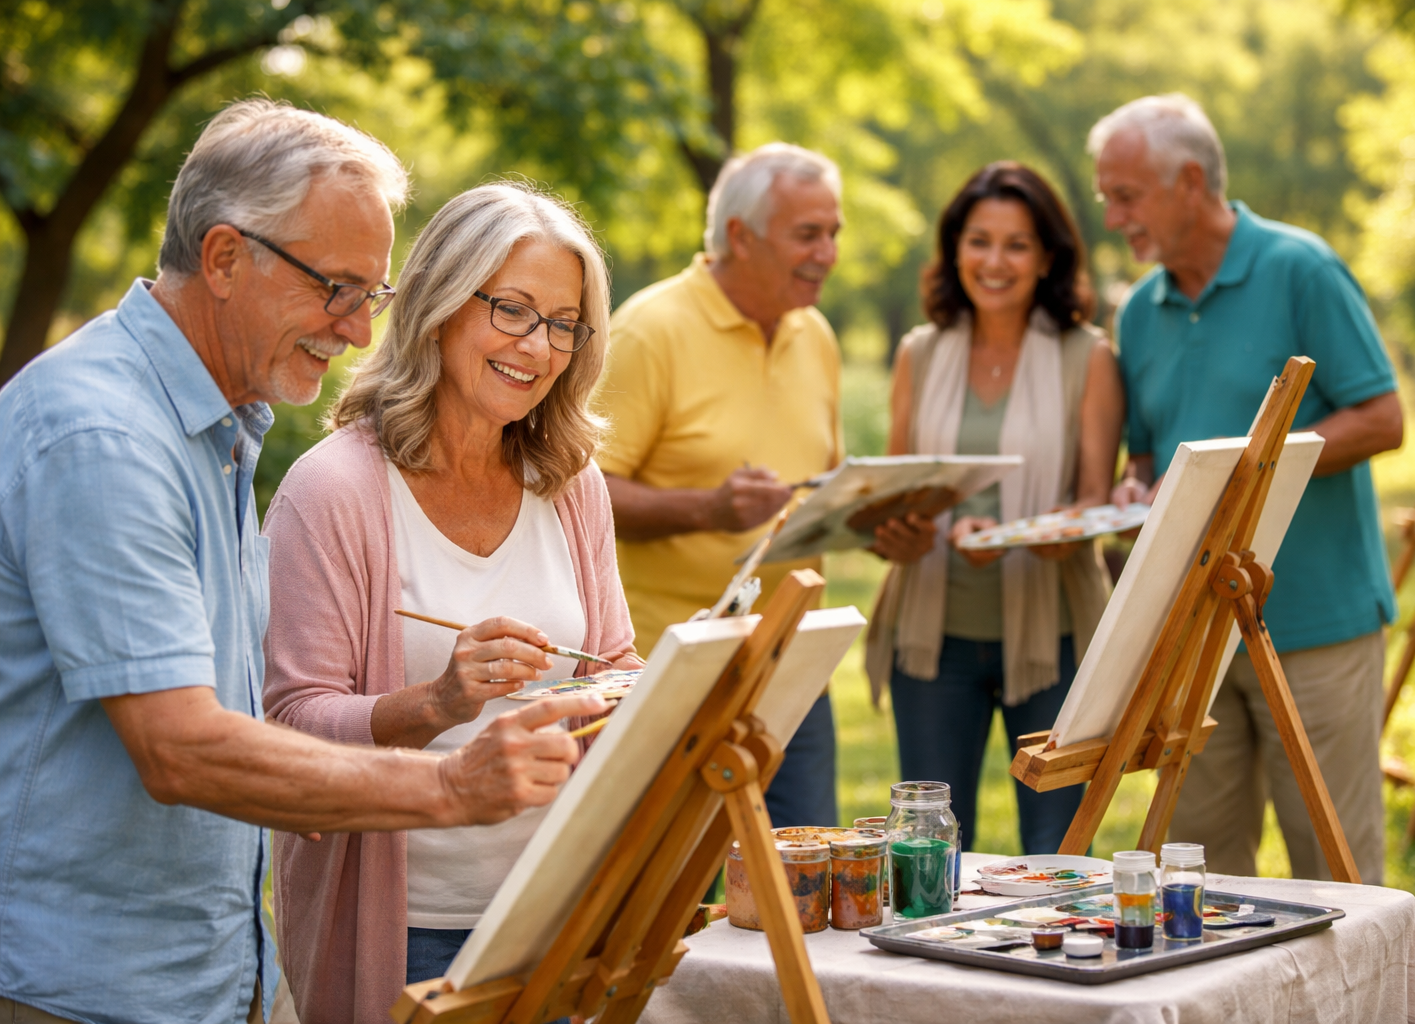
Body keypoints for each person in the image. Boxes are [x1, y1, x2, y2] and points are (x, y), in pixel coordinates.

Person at [0, 100, 603, 1024]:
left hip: (205, 972)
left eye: (373, 296)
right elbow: (179, 747)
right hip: (79, 988)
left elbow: (241, 720)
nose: (359, 330)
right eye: (338, 289)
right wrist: (448, 778)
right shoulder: (106, 436)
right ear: (227, 258)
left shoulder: (214, 431)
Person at [262, 182, 640, 1021]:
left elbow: (615, 665)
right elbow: (286, 730)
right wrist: (437, 701)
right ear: (437, 305)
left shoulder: (570, 485)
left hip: (561, 912)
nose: (537, 347)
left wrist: (642, 694)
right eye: (511, 309)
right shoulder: (332, 491)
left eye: (563, 323)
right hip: (407, 931)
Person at [1091, 94, 1402, 884]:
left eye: (1126, 196)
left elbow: (1382, 417)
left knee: (1335, 872)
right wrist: (1134, 488)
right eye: (1107, 198)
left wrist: (1246, 471)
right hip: (1194, 634)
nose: (1113, 217)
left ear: (1189, 181)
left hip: (1315, 622)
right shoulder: (1137, 314)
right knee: (1199, 873)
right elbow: (1146, 455)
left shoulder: (1301, 268)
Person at [863, 162, 1121, 855]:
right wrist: (901, 533)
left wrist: (1039, 534)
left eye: (1017, 244)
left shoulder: (1086, 357)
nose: (995, 261)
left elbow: (1097, 501)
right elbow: (897, 493)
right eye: (979, 241)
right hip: (933, 639)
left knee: (1059, 853)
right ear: (954, 250)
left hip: (1054, 637)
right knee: (929, 852)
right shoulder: (920, 354)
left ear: (1047, 258)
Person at [592, 143, 845, 829]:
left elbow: (820, 480)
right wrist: (710, 508)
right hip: (667, 663)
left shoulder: (816, 334)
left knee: (798, 877)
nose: (828, 252)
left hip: (791, 657)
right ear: (741, 235)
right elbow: (583, 493)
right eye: (808, 234)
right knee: (657, 894)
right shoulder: (650, 331)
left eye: (834, 232)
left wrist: (872, 517)